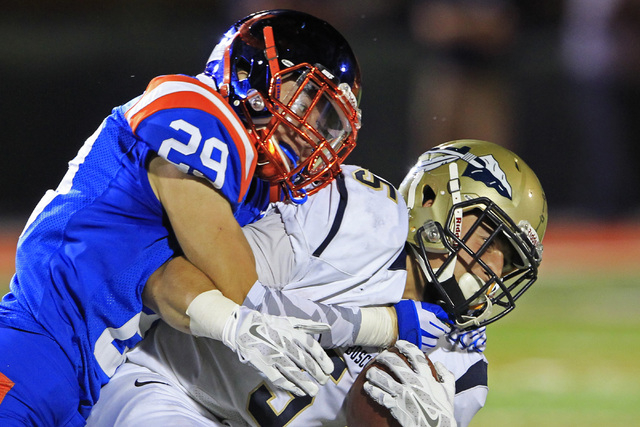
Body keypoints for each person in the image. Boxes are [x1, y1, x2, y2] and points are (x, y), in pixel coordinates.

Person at [0, 9, 365, 426]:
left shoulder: (244, 178)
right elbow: (241, 287)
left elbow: (167, 280)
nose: (309, 131)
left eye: (327, 122)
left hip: (82, 384)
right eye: (307, 102)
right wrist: (376, 325)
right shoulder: (199, 110)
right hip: (35, 349)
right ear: (256, 73)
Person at [86, 140, 548, 426]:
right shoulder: (354, 218)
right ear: (432, 198)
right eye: (487, 237)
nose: (489, 266)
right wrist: (378, 326)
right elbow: (186, 278)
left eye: (507, 262)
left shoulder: (461, 369)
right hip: (172, 390)